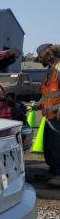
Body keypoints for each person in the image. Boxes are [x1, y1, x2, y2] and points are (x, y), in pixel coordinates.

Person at [32, 44, 60, 187]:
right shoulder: (51, 70)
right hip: (50, 116)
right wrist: (35, 105)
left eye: (40, 58)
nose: (40, 61)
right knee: (50, 145)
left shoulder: (59, 67)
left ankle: (58, 174)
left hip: (57, 116)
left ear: (46, 55)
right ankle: (53, 170)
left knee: (57, 145)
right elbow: (47, 93)